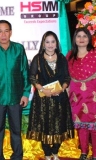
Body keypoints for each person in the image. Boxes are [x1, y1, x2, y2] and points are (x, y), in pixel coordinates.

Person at [0, 20, 31, 160]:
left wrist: (25, 93)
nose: (3, 34)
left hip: (16, 98)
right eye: (0, 31)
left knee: (16, 129)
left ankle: (17, 156)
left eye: (6, 30)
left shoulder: (19, 49)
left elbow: (25, 72)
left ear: (11, 32)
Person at [26, 31, 74, 160]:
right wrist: (41, 89)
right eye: (47, 42)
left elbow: (66, 77)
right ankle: (47, 153)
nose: (50, 44)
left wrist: (63, 88)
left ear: (57, 44)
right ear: (43, 44)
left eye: (53, 42)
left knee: (60, 124)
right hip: (43, 98)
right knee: (44, 126)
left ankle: (55, 152)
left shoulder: (62, 58)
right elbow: (31, 76)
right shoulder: (38, 58)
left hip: (60, 98)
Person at [66, 27, 96, 160]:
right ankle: (84, 152)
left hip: (95, 95)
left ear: (89, 38)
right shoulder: (70, 56)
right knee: (81, 126)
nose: (81, 39)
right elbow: (66, 77)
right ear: (74, 39)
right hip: (76, 96)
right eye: (78, 36)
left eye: (84, 36)